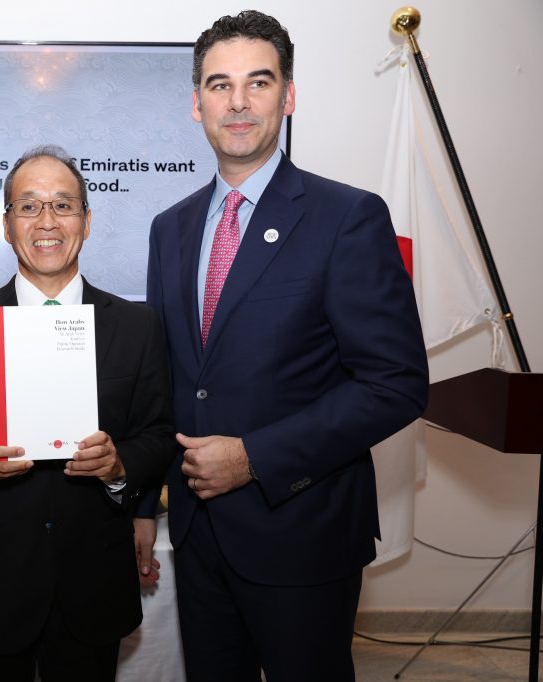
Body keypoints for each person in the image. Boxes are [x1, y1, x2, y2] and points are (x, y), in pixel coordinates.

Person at [132, 11, 429, 682]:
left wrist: (255, 458)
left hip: (304, 532)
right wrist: (145, 505)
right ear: (196, 102)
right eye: (219, 85)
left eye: (258, 82)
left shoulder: (348, 218)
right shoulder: (169, 230)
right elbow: (168, 381)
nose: (237, 103)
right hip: (200, 537)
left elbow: (396, 384)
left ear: (288, 96)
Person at [0, 145, 177, 682]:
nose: (47, 221)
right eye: (28, 207)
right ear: (7, 225)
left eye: (63, 205)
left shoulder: (136, 326)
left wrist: (120, 464)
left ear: (87, 220)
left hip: (95, 577)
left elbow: (159, 433)